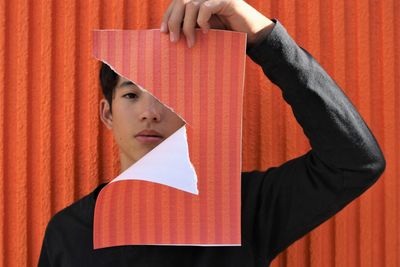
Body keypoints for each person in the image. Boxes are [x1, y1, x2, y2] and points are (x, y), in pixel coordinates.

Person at [38, 0, 386, 266]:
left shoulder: (245, 209)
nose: (150, 112)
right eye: (131, 95)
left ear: (193, 112)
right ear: (107, 113)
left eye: (169, 96)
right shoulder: (68, 233)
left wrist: (263, 37)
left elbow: (355, 163)